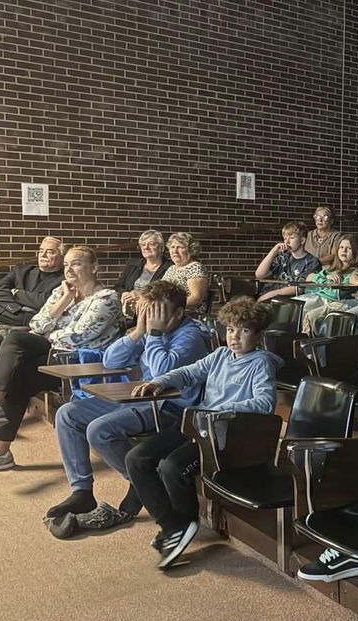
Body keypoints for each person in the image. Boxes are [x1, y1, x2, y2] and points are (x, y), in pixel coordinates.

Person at [129, 296, 281, 569]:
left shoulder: (261, 363)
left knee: (172, 467)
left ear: (259, 335)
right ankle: (173, 525)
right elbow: (189, 372)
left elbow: (264, 403)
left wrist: (219, 410)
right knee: (137, 458)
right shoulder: (220, 355)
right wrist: (160, 381)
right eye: (230, 329)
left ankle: (184, 523)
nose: (234, 337)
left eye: (244, 330)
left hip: (225, 435)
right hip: (197, 423)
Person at [45, 280, 208, 534]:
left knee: (99, 430)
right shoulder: (151, 329)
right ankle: (82, 491)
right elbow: (111, 361)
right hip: (139, 398)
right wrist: (138, 332)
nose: (152, 318)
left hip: (170, 407)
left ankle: (142, 483)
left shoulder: (190, 336)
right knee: (67, 415)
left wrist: (153, 335)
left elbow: (163, 373)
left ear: (178, 313)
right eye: (148, 311)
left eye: (158, 312)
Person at [0, 246, 123, 474]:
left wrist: (48, 333)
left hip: (79, 362)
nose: (69, 270)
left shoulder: (107, 298)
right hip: (55, 354)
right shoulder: (62, 291)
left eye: (76, 264)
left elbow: (78, 336)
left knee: (18, 359)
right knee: (16, 353)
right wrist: (65, 300)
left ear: (94, 267)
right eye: (66, 265)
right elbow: (36, 324)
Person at [0, 236, 65, 409]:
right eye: (41, 251)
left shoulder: (63, 280)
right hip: (0, 318)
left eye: (50, 252)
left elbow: (45, 302)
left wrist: (16, 293)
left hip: (26, 325)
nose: (43, 255)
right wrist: (18, 307)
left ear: (61, 257)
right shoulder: (22, 271)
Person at [300, 233, 358, 333]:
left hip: (331, 302)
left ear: (355, 252)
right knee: (292, 306)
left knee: (302, 311)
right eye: (341, 247)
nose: (344, 251)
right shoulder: (330, 270)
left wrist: (320, 284)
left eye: (349, 248)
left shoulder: (354, 273)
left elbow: (335, 294)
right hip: (314, 297)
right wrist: (326, 278)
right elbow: (309, 278)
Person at [254, 221, 321, 302]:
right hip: (271, 296)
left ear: (302, 240)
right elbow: (259, 274)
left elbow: (300, 288)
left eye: (292, 238)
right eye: (285, 238)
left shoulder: (312, 261)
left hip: (291, 300)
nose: (287, 242)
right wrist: (273, 251)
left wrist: (271, 294)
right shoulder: (282, 258)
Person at [114, 230, 171, 317]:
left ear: (161, 248)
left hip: (153, 314)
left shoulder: (170, 267)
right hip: (127, 311)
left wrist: (141, 295)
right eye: (143, 245)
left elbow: (167, 294)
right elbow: (117, 287)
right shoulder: (132, 265)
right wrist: (125, 293)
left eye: (151, 244)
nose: (146, 247)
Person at [161, 232, 209, 314]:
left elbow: (195, 299)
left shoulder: (195, 267)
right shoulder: (172, 268)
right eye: (172, 247)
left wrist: (169, 306)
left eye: (180, 247)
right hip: (169, 312)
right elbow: (159, 289)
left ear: (191, 250)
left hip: (187, 314)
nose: (175, 251)